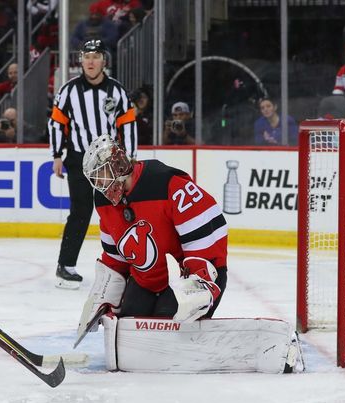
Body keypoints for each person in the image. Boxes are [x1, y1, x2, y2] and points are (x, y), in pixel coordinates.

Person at [80, 132, 227, 332]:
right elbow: (114, 258)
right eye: (95, 179)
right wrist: (102, 297)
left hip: (188, 277)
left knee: (166, 327)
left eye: (102, 174)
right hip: (145, 280)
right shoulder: (103, 201)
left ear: (118, 164)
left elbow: (209, 232)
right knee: (127, 329)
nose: (99, 184)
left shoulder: (165, 182)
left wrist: (197, 285)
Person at [48, 38, 136, 289]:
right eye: (86, 56)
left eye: (95, 56)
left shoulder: (117, 91)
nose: (90, 61)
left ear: (104, 61)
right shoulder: (68, 90)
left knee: (117, 212)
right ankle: (65, 267)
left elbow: (127, 124)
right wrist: (56, 154)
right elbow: (56, 123)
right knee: (80, 212)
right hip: (77, 159)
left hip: (110, 162)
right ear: (81, 61)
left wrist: (130, 156)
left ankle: (124, 265)